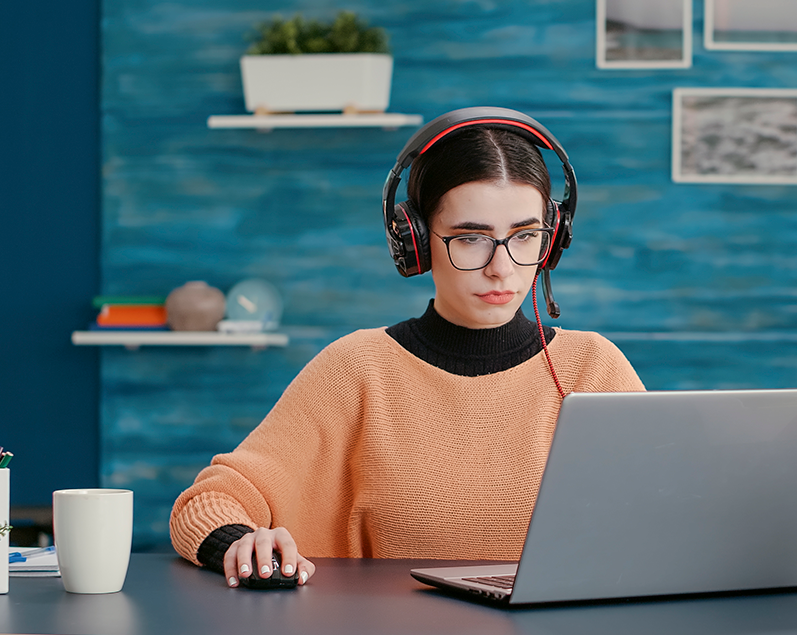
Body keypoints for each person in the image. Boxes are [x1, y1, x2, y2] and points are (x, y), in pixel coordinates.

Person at [169, 108, 645, 588]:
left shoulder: (595, 370)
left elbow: (672, 510)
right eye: (471, 239)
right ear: (415, 241)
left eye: (524, 236)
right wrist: (239, 542)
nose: (503, 267)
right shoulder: (356, 368)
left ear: (553, 237)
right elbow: (207, 503)